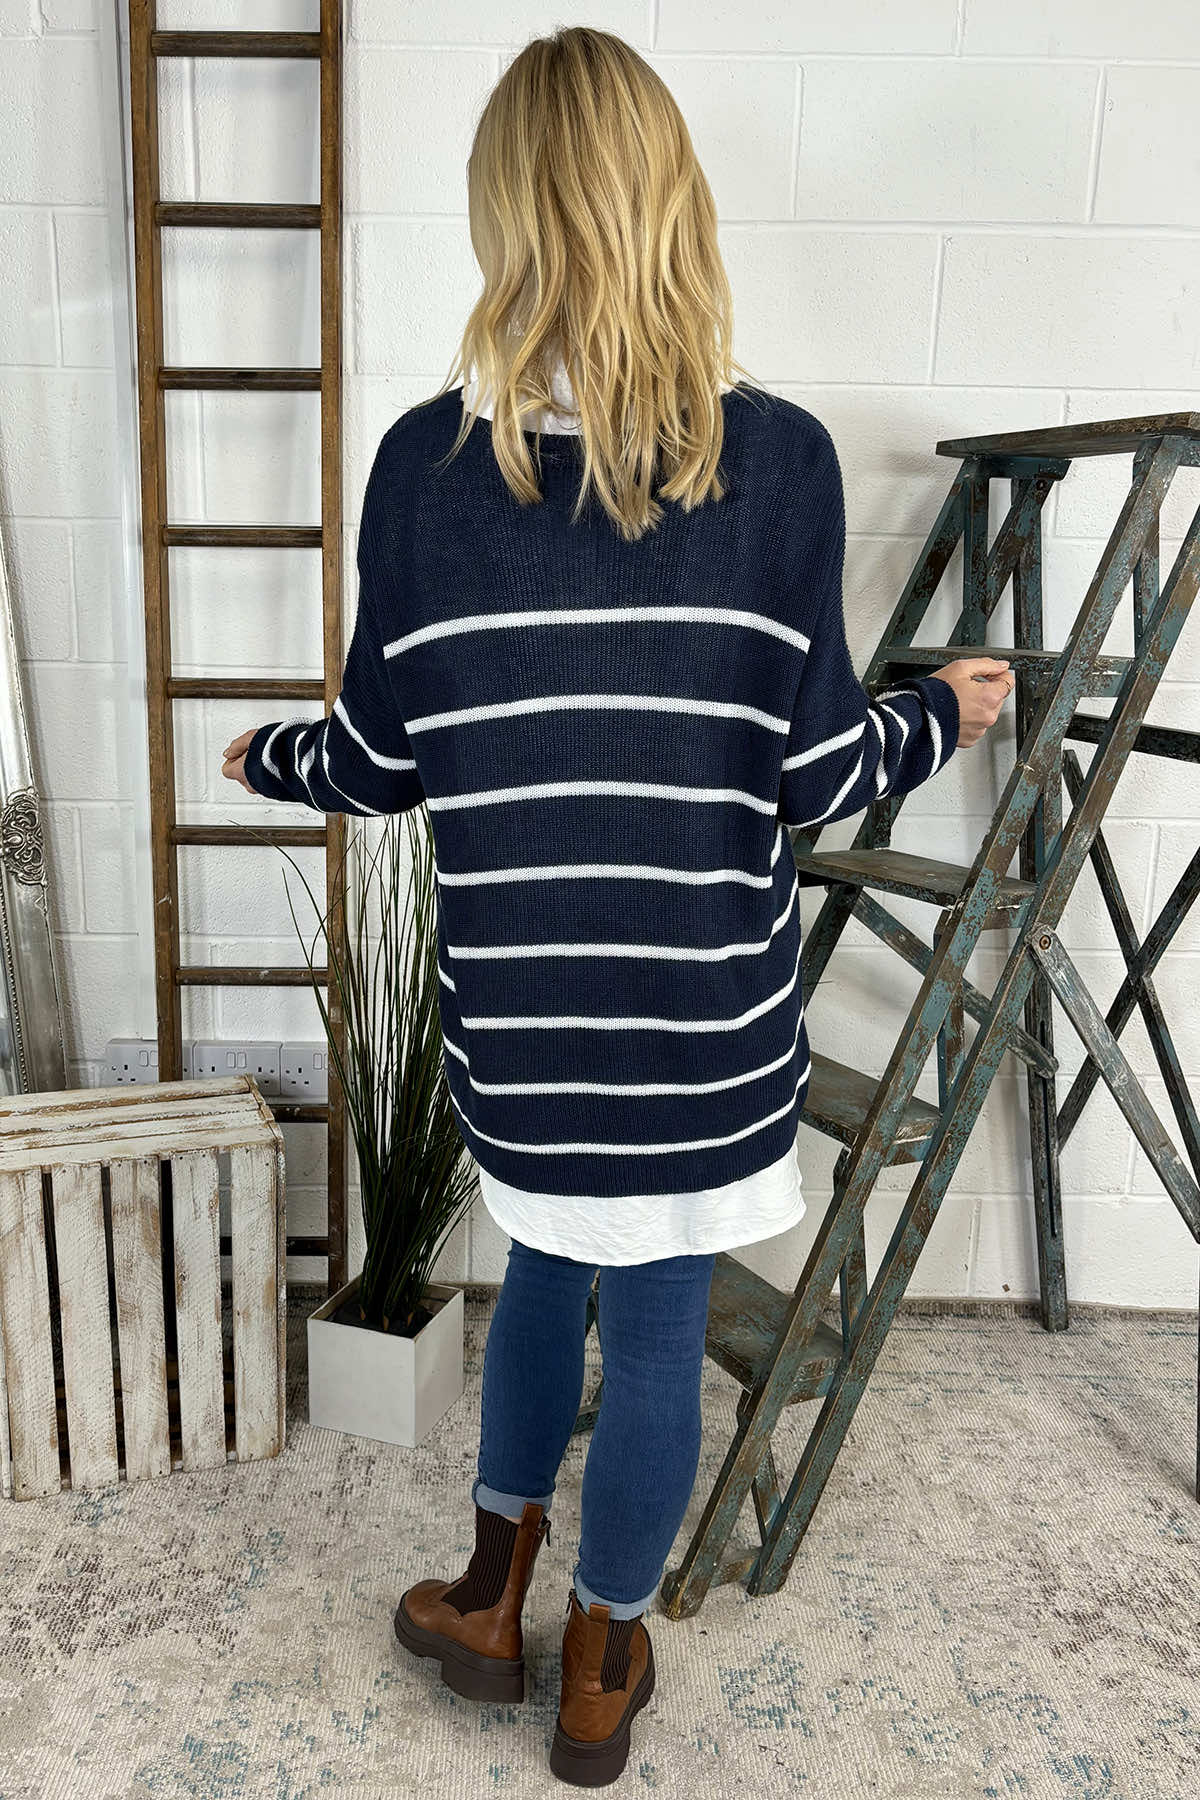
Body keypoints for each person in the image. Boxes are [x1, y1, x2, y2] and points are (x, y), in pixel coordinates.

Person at [221, 25, 1013, 1787]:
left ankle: (486, 1597)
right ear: (676, 204)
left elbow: (381, 759)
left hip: (525, 1028)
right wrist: (939, 714)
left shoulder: (424, 471)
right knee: (655, 1328)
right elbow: (811, 776)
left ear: (505, 218)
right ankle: (600, 1663)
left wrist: (269, 760)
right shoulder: (779, 464)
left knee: (539, 1281)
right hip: (702, 1029)